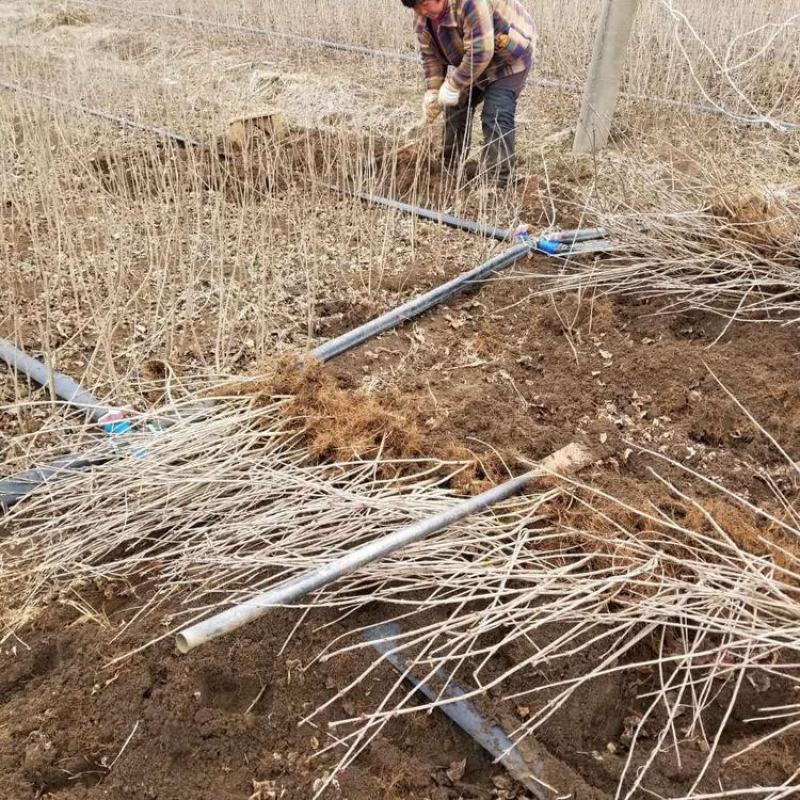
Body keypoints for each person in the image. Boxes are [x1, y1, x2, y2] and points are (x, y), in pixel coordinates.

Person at [400, 0, 536, 187]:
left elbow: (480, 52)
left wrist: (453, 84)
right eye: (415, 7)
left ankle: (499, 182)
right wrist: (433, 90)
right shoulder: (424, 17)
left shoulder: (471, 3)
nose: (422, 11)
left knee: (495, 112)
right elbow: (430, 56)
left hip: (507, 60)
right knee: (455, 107)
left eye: (424, 3)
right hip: (471, 60)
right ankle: (449, 167)